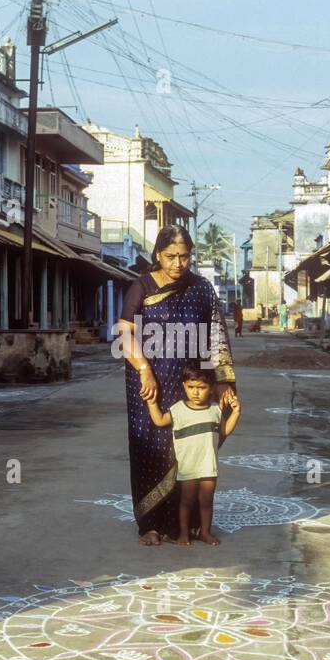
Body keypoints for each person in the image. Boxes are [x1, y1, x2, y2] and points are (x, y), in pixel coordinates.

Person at [118, 226, 238, 546]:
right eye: (170, 256)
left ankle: (189, 523)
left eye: (184, 257)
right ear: (158, 254)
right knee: (151, 449)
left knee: (191, 448)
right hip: (149, 381)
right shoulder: (141, 287)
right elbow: (125, 334)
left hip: (191, 381)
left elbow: (216, 336)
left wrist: (223, 382)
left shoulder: (202, 288)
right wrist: (144, 370)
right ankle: (151, 524)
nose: (177, 263)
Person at [146, 362, 240, 545]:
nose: (195, 392)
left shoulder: (215, 410)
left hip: (208, 467)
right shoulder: (178, 409)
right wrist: (151, 402)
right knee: (186, 502)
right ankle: (183, 533)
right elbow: (159, 420)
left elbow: (224, 432)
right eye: (191, 387)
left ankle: (205, 532)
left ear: (212, 389)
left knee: (206, 502)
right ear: (184, 386)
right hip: (188, 468)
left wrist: (236, 413)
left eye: (201, 387)